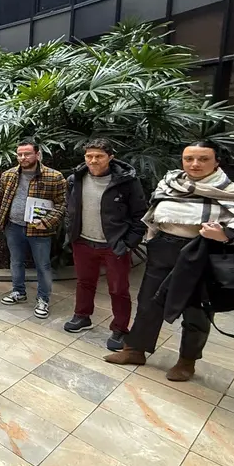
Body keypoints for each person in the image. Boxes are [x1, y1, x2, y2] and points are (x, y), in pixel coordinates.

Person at [106, 141, 234, 381]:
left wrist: (225, 234)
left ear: (216, 162)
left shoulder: (231, 192)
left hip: (201, 254)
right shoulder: (170, 183)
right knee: (148, 302)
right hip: (163, 249)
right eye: (189, 159)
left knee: (196, 310)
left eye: (203, 159)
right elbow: (154, 212)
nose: (195, 164)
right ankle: (134, 350)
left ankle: (187, 361)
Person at [63, 138, 147, 351]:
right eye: (89, 156)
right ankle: (82, 316)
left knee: (118, 289)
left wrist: (128, 243)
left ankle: (120, 328)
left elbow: (140, 216)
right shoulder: (76, 179)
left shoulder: (126, 182)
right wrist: (71, 231)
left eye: (99, 156)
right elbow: (69, 207)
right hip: (83, 241)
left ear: (110, 157)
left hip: (113, 245)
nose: (93, 160)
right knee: (84, 282)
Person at [0, 138, 66, 319]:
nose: (23, 158)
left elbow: (62, 204)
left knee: (43, 265)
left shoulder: (54, 177)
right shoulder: (9, 175)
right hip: (13, 226)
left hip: (39, 230)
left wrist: (47, 222)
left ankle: (43, 299)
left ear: (37, 154)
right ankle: (18, 291)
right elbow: (1, 198)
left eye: (27, 154)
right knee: (16, 261)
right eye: (19, 154)